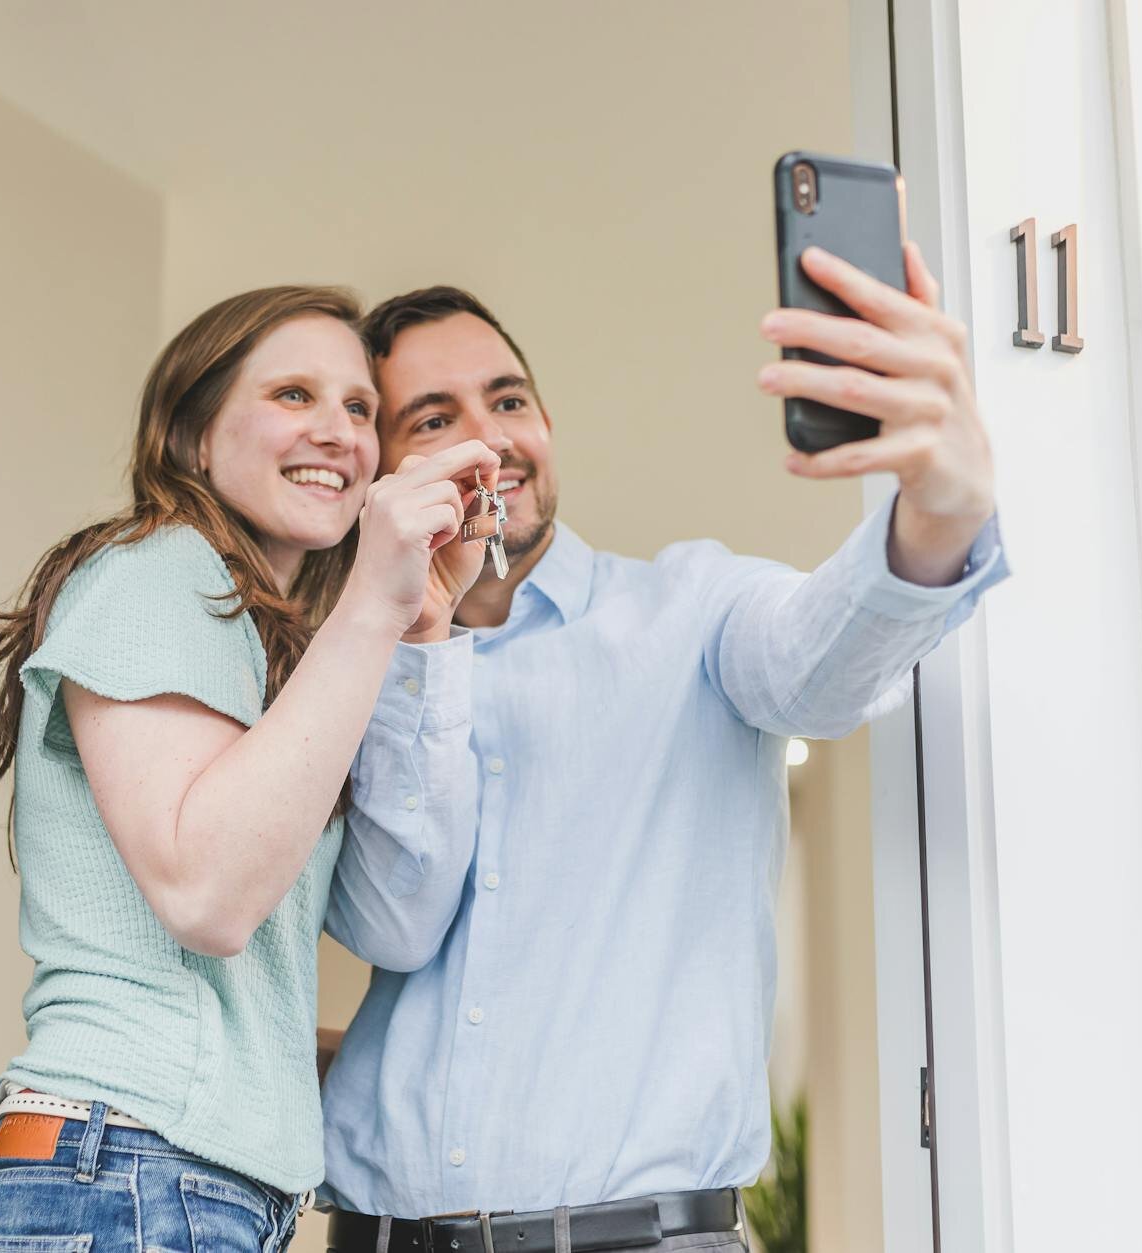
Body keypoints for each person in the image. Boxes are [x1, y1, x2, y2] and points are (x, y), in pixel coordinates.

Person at [320, 244, 1007, 1251]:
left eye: (509, 402)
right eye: (433, 418)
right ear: (378, 472)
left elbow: (820, 661)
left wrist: (939, 509)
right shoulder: (347, 676)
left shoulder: (693, 608)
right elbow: (387, 927)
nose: (488, 440)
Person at [0, 285, 497, 1249]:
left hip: (170, 1186)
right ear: (192, 435)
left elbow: (390, 924)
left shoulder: (275, 649)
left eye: (359, 409)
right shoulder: (159, 567)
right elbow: (208, 895)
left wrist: (424, 631)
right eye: (292, 395)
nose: (340, 432)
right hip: (126, 1178)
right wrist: (372, 595)